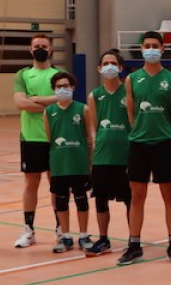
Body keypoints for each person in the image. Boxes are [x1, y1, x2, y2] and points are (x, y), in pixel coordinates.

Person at [118, 31, 171, 266]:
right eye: (147, 46)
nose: (151, 49)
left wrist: (168, 133)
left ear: (163, 49)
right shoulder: (132, 79)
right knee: (137, 195)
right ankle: (134, 245)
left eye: (155, 45)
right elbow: (132, 114)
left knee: (170, 195)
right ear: (142, 49)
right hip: (138, 144)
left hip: (164, 144)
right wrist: (140, 132)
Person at [12, 33, 61, 249]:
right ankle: (29, 230)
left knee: (57, 185)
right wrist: (51, 102)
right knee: (31, 184)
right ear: (31, 50)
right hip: (31, 137)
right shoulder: (23, 74)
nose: (40, 49)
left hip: (56, 136)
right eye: (36, 46)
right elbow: (21, 103)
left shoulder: (59, 74)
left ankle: (61, 230)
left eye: (44, 45)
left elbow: (64, 99)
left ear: (50, 50)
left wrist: (37, 99)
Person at [84, 49, 130, 255]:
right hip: (103, 155)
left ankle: (133, 239)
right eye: (106, 63)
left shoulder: (129, 92)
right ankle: (103, 239)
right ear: (100, 68)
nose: (109, 66)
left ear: (120, 68)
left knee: (130, 199)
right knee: (101, 199)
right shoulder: (95, 95)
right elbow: (96, 125)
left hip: (126, 154)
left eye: (114, 63)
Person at [44, 72, 94, 253]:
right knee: (61, 202)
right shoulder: (49, 112)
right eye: (59, 87)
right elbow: (50, 139)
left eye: (66, 86)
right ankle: (65, 236)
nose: (63, 89)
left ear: (73, 87)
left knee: (81, 200)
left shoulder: (83, 109)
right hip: (59, 164)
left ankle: (83, 235)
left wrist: (90, 164)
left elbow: (89, 138)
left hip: (79, 163)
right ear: (54, 89)